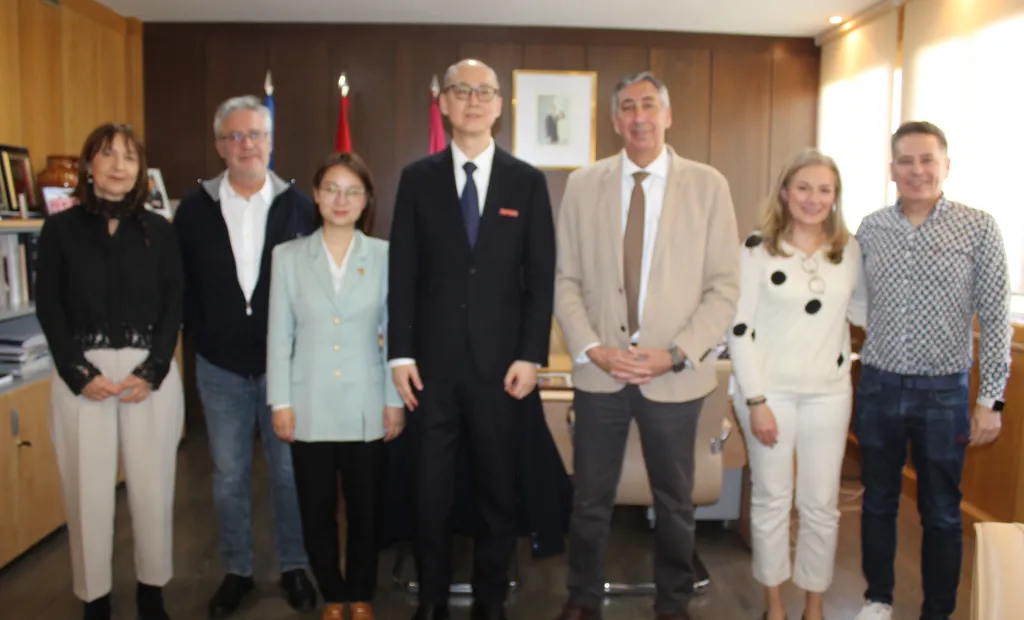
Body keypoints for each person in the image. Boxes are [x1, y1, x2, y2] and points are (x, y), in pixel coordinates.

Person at [553, 71, 740, 620]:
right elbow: (565, 281)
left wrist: (677, 352)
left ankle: (673, 604)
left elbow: (724, 288)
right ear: (615, 120)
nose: (639, 116)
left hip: (674, 373)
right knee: (589, 500)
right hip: (599, 373)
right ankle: (582, 599)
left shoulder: (709, 186)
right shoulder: (584, 184)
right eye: (629, 107)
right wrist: (590, 348)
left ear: (667, 115)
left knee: (675, 503)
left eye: (650, 105)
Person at [388, 58, 556, 620]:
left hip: (501, 368)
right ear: (444, 103)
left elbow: (541, 278)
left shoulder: (526, 182)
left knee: (496, 493)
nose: (473, 100)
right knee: (429, 493)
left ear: (500, 105)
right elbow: (403, 273)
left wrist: (533, 355)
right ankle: (431, 598)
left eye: (485, 92)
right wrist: (401, 353)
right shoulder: (417, 179)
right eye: (462, 91)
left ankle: (490, 599)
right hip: (430, 369)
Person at [852, 121, 1012, 620]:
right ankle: (878, 599)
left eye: (927, 159)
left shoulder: (979, 227)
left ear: (946, 165)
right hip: (878, 386)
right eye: (906, 160)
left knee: (942, 511)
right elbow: (853, 305)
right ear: (892, 169)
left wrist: (992, 400)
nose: (917, 170)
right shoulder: (871, 227)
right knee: (877, 500)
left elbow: (995, 316)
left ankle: (938, 611)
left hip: (944, 395)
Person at [173, 95, 317, 618]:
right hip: (220, 366)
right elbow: (179, 285)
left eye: (255, 134)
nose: (246, 144)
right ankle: (236, 571)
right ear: (219, 146)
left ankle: (295, 566)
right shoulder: (193, 210)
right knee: (229, 474)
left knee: (288, 473)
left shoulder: (302, 207)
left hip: (288, 370)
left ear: (271, 141)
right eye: (235, 136)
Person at [35, 123, 185, 620]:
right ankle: (93, 597)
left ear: (140, 170)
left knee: (152, 487)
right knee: (87, 492)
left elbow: (173, 303)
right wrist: (78, 372)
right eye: (108, 155)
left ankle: (151, 591)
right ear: (89, 166)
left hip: (149, 378)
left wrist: (155, 368)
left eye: (129, 157)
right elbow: (49, 307)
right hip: (84, 378)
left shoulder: (160, 231)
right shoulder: (60, 229)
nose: (119, 165)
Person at [727, 148, 865, 620]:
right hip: (768, 393)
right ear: (785, 192)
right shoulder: (756, 248)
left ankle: (814, 604)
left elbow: (863, 312)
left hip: (830, 391)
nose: (813, 198)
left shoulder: (849, 249)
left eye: (824, 189)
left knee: (821, 504)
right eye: (803, 187)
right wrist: (756, 400)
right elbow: (739, 328)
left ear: (835, 196)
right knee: (772, 499)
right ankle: (775, 604)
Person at [266, 152, 404, 620]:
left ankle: (360, 593)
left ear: (367, 200)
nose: (341, 199)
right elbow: (278, 335)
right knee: (316, 508)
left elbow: (395, 334)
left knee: (366, 509)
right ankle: (333, 593)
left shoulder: (386, 256)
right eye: (331, 188)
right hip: (308, 403)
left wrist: (393, 401)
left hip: (368, 399)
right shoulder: (287, 257)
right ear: (316, 194)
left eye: (353, 191)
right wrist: (280, 402)